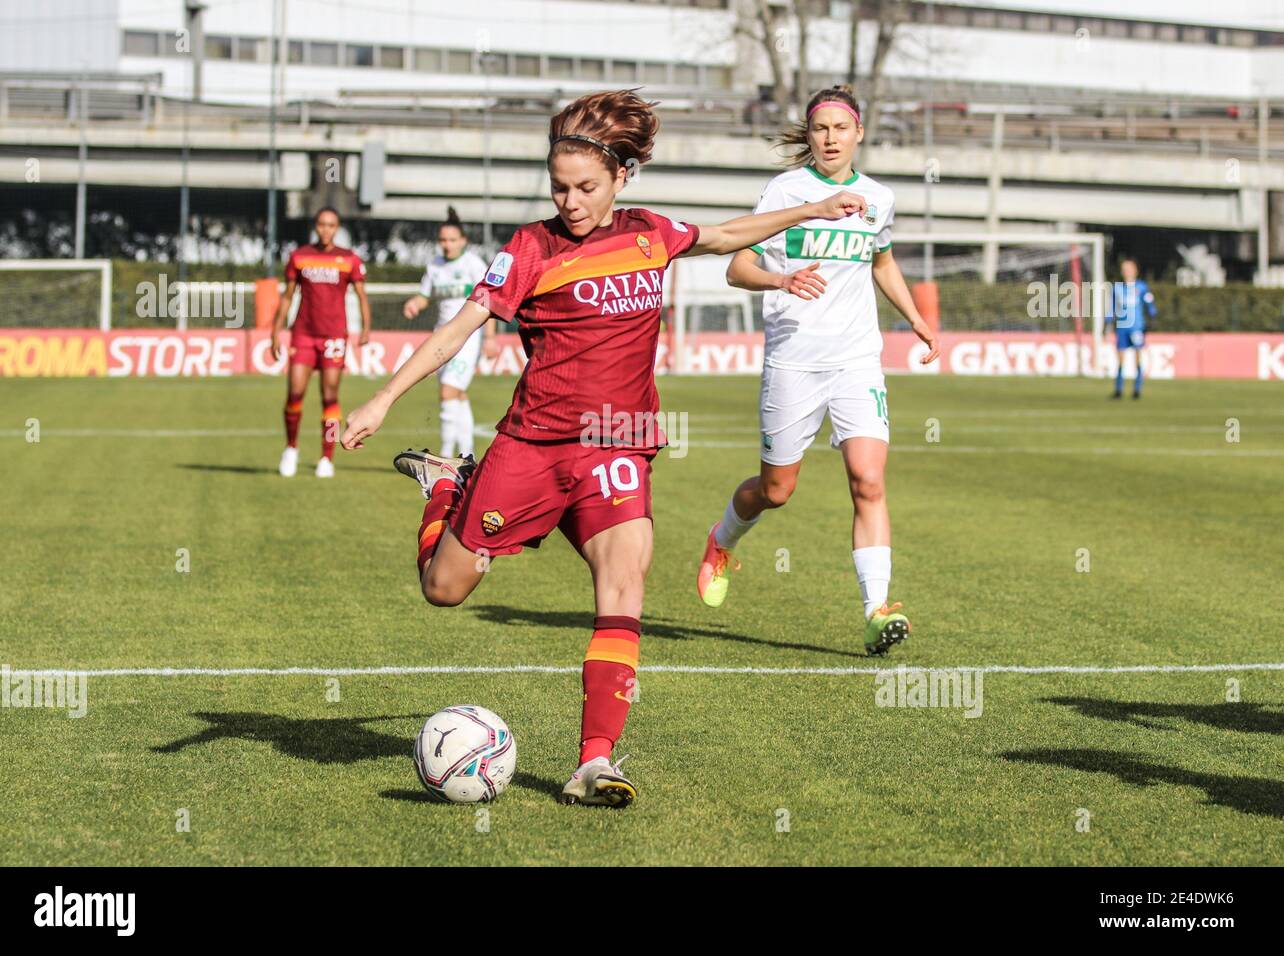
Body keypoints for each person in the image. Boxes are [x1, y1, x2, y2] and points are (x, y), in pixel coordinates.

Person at [341, 89, 868, 807]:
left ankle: (594, 761)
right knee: (444, 587)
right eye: (559, 186)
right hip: (531, 444)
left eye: (586, 186)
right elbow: (456, 332)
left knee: (624, 586)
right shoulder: (528, 249)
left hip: (617, 445)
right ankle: (446, 484)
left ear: (621, 177)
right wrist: (381, 398)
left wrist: (808, 210)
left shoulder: (651, 232)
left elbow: (722, 236)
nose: (571, 201)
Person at [694, 85, 939, 657]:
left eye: (839, 128)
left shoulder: (879, 198)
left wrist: (918, 320)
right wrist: (781, 280)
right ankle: (723, 539)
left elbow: (882, 260)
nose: (829, 138)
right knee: (776, 491)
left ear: (859, 133)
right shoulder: (787, 191)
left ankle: (876, 609)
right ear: (810, 136)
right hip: (794, 360)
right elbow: (738, 268)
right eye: (819, 128)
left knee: (869, 480)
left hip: (858, 359)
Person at [271, 207, 371, 478]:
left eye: (331, 225)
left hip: (334, 336)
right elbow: (288, 296)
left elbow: (362, 296)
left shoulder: (349, 259)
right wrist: (275, 330)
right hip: (303, 334)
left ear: (336, 228)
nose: (326, 229)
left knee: (330, 397)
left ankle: (327, 457)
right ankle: (291, 448)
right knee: (295, 393)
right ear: (316, 226)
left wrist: (365, 327)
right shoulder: (300, 256)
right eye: (322, 224)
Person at [402, 207, 499, 458]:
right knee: (458, 394)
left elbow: (488, 301)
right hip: (441, 337)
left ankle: (444, 455)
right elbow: (425, 296)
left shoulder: (473, 265)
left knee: (447, 390)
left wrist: (490, 337)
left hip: (468, 339)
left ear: (463, 241)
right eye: (443, 240)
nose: (447, 245)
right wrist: (415, 303)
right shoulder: (435, 266)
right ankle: (467, 454)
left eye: (452, 240)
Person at [1106, 257, 1157, 400]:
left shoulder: (1141, 287)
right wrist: (1108, 323)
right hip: (1122, 328)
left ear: (1135, 270)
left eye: (1129, 268)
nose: (1126, 271)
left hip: (1136, 327)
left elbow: (1149, 304)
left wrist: (1152, 318)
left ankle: (1136, 390)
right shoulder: (1117, 288)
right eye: (1124, 268)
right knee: (1120, 359)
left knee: (1137, 357)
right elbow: (1112, 308)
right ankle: (1118, 390)